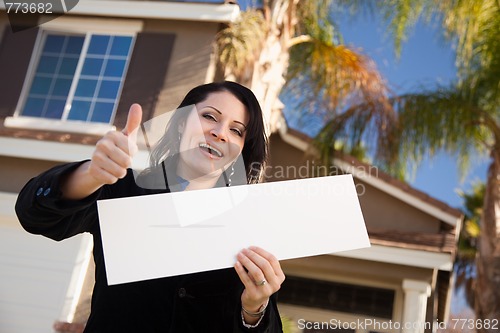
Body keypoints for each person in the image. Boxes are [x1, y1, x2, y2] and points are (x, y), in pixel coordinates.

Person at [15, 81, 285, 332]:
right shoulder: (123, 189)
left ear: (241, 149)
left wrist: (254, 309)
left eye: (236, 130)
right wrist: (91, 175)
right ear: (180, 123)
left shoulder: (245, 225)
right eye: (210, 116)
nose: (220, 133)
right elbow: (34, 216)